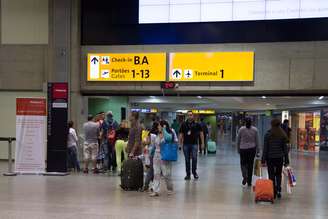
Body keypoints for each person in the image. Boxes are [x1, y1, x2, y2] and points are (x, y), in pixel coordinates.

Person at [262, 118, 289, 199]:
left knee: (271, 175)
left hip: (270, 158)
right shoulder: (282, 134)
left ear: (271, 125)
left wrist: (263, 159)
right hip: (279, 158)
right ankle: (278, 190)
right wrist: (287, 159)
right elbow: (285, 149)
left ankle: (273, 191)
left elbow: (265, 148)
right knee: (278, 174)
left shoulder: (268, 134)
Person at [150, 120, 176, 197]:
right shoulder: (157, 134)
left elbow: (168, 138)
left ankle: (170, 188)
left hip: (165, 156)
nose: (158, 127)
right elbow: (155, 145)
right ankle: (155, 190)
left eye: (159, 125)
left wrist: (164, 129)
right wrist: (151, 153)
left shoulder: (169, 133)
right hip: (156, 156)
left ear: (163, 126)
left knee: (166, 174)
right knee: (156, 174)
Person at [179, 111, 204, 180]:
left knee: (194, 158)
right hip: (186, 144)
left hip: (194, 144)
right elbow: (181, 134)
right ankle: (188, 174)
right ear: (187, 116)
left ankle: (194, 172)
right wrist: (179, 144)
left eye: (191, 115)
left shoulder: (197, 124)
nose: (190, 116)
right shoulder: (183, 124)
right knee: (187, 160)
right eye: (189, 115)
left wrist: (202, 143)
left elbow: (201, 134)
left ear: (193, 116)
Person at [237, 117, 260, 187]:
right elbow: (257, 141)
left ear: (245, 122)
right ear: (251, 122)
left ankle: (245, 176)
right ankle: (249, 182)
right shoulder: (255, 130)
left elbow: (238, 140)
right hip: (252, 149)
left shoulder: (241, 129)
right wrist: (258, 150)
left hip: (243, 149)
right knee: (250, 165)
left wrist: (238, 149)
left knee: (243, 164)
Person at [144, 121, 159, 192]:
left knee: (150, 170)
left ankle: (146, 185)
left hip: (151, 153)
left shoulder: (151, 133)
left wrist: (144, 142)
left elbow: (147, 142)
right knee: (154, 170)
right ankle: (153, 186)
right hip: (156, 153)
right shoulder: (158, 133)